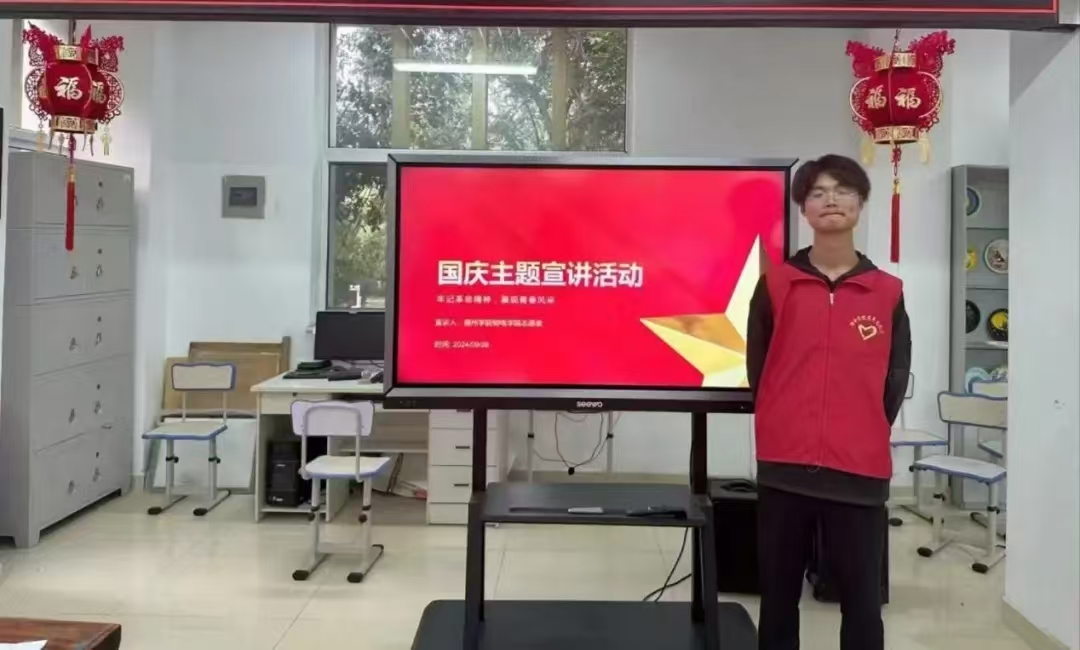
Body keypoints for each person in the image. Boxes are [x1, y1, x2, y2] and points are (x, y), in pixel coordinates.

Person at [746, 154, 911, 650]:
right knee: (777, 598)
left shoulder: (887, 292)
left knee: (861, 602)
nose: (831, 200)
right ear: (803, 208)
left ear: (860, 203)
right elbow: (759, 368)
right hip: (784, 465)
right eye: (817, 192)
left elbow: (895, 377)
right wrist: (782, 418)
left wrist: (862, 427)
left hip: (858, 468)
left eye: (842, 190)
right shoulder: (776, 284)